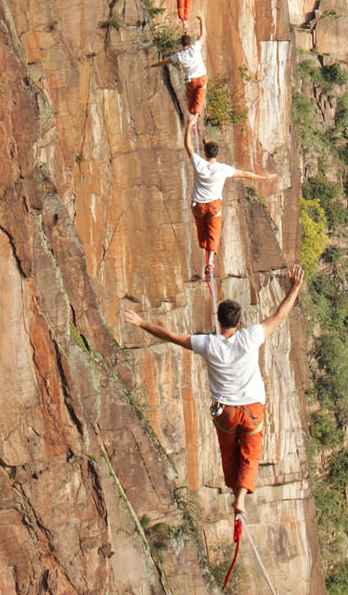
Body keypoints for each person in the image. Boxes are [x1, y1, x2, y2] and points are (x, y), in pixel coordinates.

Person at [120, 263, 304, 517]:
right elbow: (279, 316)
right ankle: (240, 498)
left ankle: (235, 492)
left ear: (218, 320)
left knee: (228, 452)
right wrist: (294, 287)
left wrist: (142, 323)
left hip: (225, 412)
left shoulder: (208, 344)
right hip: (251, 410)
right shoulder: (250, 337)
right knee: (250, 455)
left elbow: (172, 336)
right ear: (239, 322)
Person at [182, 117, 276, 262]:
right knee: (214, 231)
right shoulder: (223, 169)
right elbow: (244, 174)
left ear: (205, 153)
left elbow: (187, 145)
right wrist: (263, 177)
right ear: (217, 154)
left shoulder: (199, 164)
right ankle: (210, 261)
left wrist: (189, 125)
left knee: (202, 232)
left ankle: (205, 246)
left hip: (198, 206)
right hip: (213, 205)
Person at [151, 13, 208, 114]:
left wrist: (152, 65)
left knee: (191, 100)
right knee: (200, 97)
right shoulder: (195, 47)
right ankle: (196, 114)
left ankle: (192, 114)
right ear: (190, 42)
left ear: (181, 44)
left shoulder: (179, 55)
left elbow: (165, 62)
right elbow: (202, 35)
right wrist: (201, 20)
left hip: (191, 81)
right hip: (202, 78)